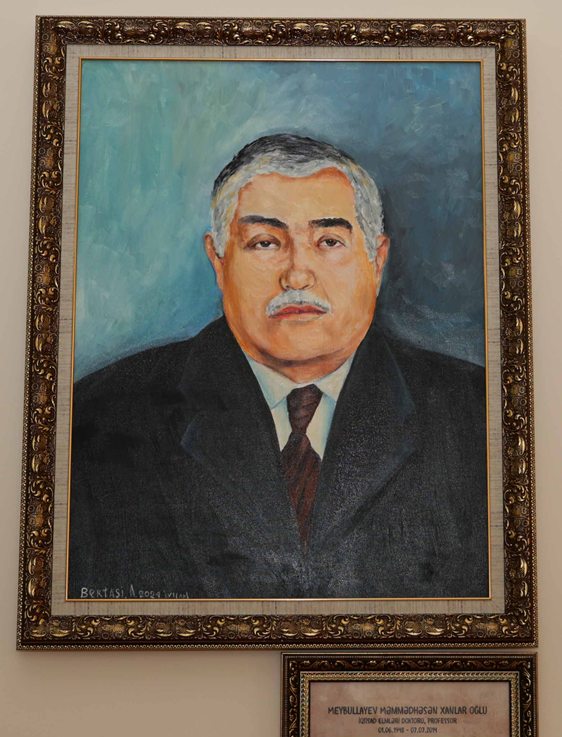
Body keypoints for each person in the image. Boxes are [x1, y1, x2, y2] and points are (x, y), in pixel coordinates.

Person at [68, 133, 488, 600]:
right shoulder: (97, 421)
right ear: (218, 260)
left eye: (329, 241)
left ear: (377, 260)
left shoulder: (478, 416)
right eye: (266, 242)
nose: (297, 275)